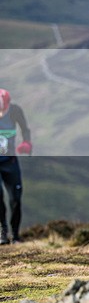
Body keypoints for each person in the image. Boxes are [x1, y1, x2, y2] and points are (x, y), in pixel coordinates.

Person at [0, 88, 32, 244]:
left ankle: (16, 236)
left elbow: (25, 129)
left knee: (15, 199)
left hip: (10, 161)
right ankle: (2, 235)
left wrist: (26, 142)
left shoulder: (14, 111)